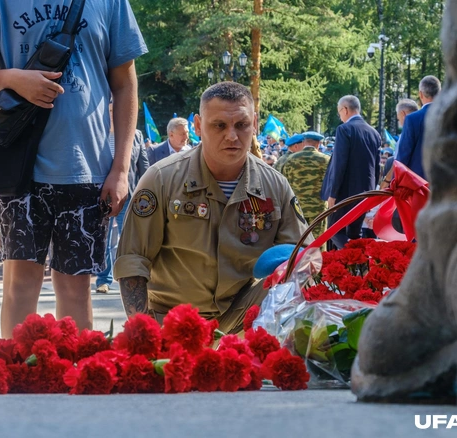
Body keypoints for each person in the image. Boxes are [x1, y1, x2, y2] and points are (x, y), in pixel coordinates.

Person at [0, 0, 148, 336]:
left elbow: (125, 84)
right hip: (19, 168)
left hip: (86, 167)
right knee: (20, 287)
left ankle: (77, 373)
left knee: (76, 289)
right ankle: (17, 378)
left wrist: (121, 170)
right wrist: (15, 79)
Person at [114, 82, 310, 333]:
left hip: (241, 315)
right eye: (219, 125)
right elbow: (132, 260)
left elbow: (303, 255)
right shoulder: (161, 178)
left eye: (241, 125)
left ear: (254, 122)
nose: (232, 136)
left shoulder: (275, 186)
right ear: (197, 125)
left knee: (298, 282)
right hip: (173, 319)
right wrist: (145, 333)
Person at [95, 102, 150, 294]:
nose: (113, 113)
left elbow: (144, 169)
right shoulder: (96, 133)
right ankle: (104, 279)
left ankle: (128, 277)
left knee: (129, 239)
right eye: (110, 110)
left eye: (115, 109)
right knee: (104, 239)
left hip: (128, 196)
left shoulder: (135, 135)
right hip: (101, 196)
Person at [323, 95, 380, 249]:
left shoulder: (345, 129)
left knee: (334, 231)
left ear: (346, 110)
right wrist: (371, 194)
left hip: (344, 194)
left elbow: (339, 164)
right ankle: (358, 266)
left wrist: (333, 194)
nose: (340, 116)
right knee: (355, 234)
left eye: (339, 111)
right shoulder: (373, 133)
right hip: (364, 193)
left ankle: (352, 256)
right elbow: (376, 167)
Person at [281, 132, 330, 240]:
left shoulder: (290, 160)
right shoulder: (326, 160)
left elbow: (284, 185)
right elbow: (330, 184)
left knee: (298, 243)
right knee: (318, 242)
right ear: (318, 144)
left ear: (303, 143)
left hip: (296, 209)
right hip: (318, 209)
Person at [395, 76, 441, 179]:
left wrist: (395, 184)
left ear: (420, 94)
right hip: (445, 186)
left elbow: (403, 157)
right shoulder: (451, 118)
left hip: (419, 186)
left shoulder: (412, 119)